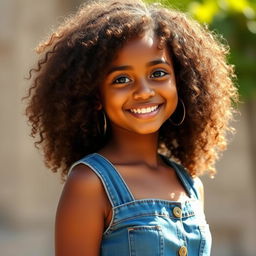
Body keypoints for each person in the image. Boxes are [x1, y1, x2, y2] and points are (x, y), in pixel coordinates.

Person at [24, 0, 238, 255]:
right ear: (95, 97)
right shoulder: (89, 183)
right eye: (121, 79)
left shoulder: (190, 184)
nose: (144, 92)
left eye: (158, 74)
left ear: (180, 82)